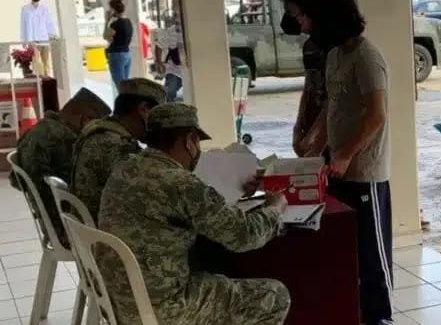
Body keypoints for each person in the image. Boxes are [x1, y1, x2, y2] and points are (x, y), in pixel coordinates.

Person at [98, 103, 290, 325]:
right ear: (189, 141)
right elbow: (244, 236)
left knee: (210, 273)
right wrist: (275, 209)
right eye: (198, 142)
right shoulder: (181, 184)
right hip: (163, 309)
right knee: (275, 296)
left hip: (118, 300)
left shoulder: (126, 167)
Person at [308, 0, 393, 325]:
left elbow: (377, 115)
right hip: (337, 167)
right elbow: (334, 104)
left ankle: (381, 318)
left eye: (311, 20)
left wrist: (345, 155)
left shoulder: (368, 57)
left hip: (365, 172)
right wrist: (316, 143)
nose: (307, 27)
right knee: (347, 249)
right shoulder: (334, 55)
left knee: (372, 255)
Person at [12, 88, 111, 243]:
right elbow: (41, 187)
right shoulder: (62, 137)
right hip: (69, 226)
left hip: (63, 221)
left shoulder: (46, 130)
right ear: (86, 119)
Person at [70, 78, 166, 220]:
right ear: (144, 110)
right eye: (159, 116)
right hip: (105, 229)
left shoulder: (98, 132)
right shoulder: (119, 147)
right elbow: (154, 199)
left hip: (89, 227)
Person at [275, 0, 326, 157]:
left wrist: (314, 136)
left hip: (330, 134)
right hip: (313, 128)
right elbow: (309, 86)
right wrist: (299, 125)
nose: (290, 18)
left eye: (291, 11)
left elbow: (334, 100)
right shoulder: (309, 46)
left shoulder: (333, 49)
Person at [20, 0, 56, 76]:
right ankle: (39, 79)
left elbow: (49, 22)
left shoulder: (45, 8)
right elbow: (23, 25)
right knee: (36, 62)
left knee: (46, 62)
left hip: (44, 39)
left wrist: (52, 36)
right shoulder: (25, 9)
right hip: (32, 39)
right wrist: (23, 40)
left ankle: (47, 79)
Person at [104, 0, 134, 88]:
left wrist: (106, 21)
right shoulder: (128, 21)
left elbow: (105, 36)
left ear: (113, 10)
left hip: (116, 55)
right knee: (125, 85)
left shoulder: (115, 24)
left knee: (120, 86)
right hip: (127, 54)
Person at [154, 23, 184, 102]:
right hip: (176, 70)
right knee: (169, 92)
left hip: (193, 69)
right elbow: (159, 45)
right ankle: (168, 107)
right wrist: (159, 62)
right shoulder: (172, 30)